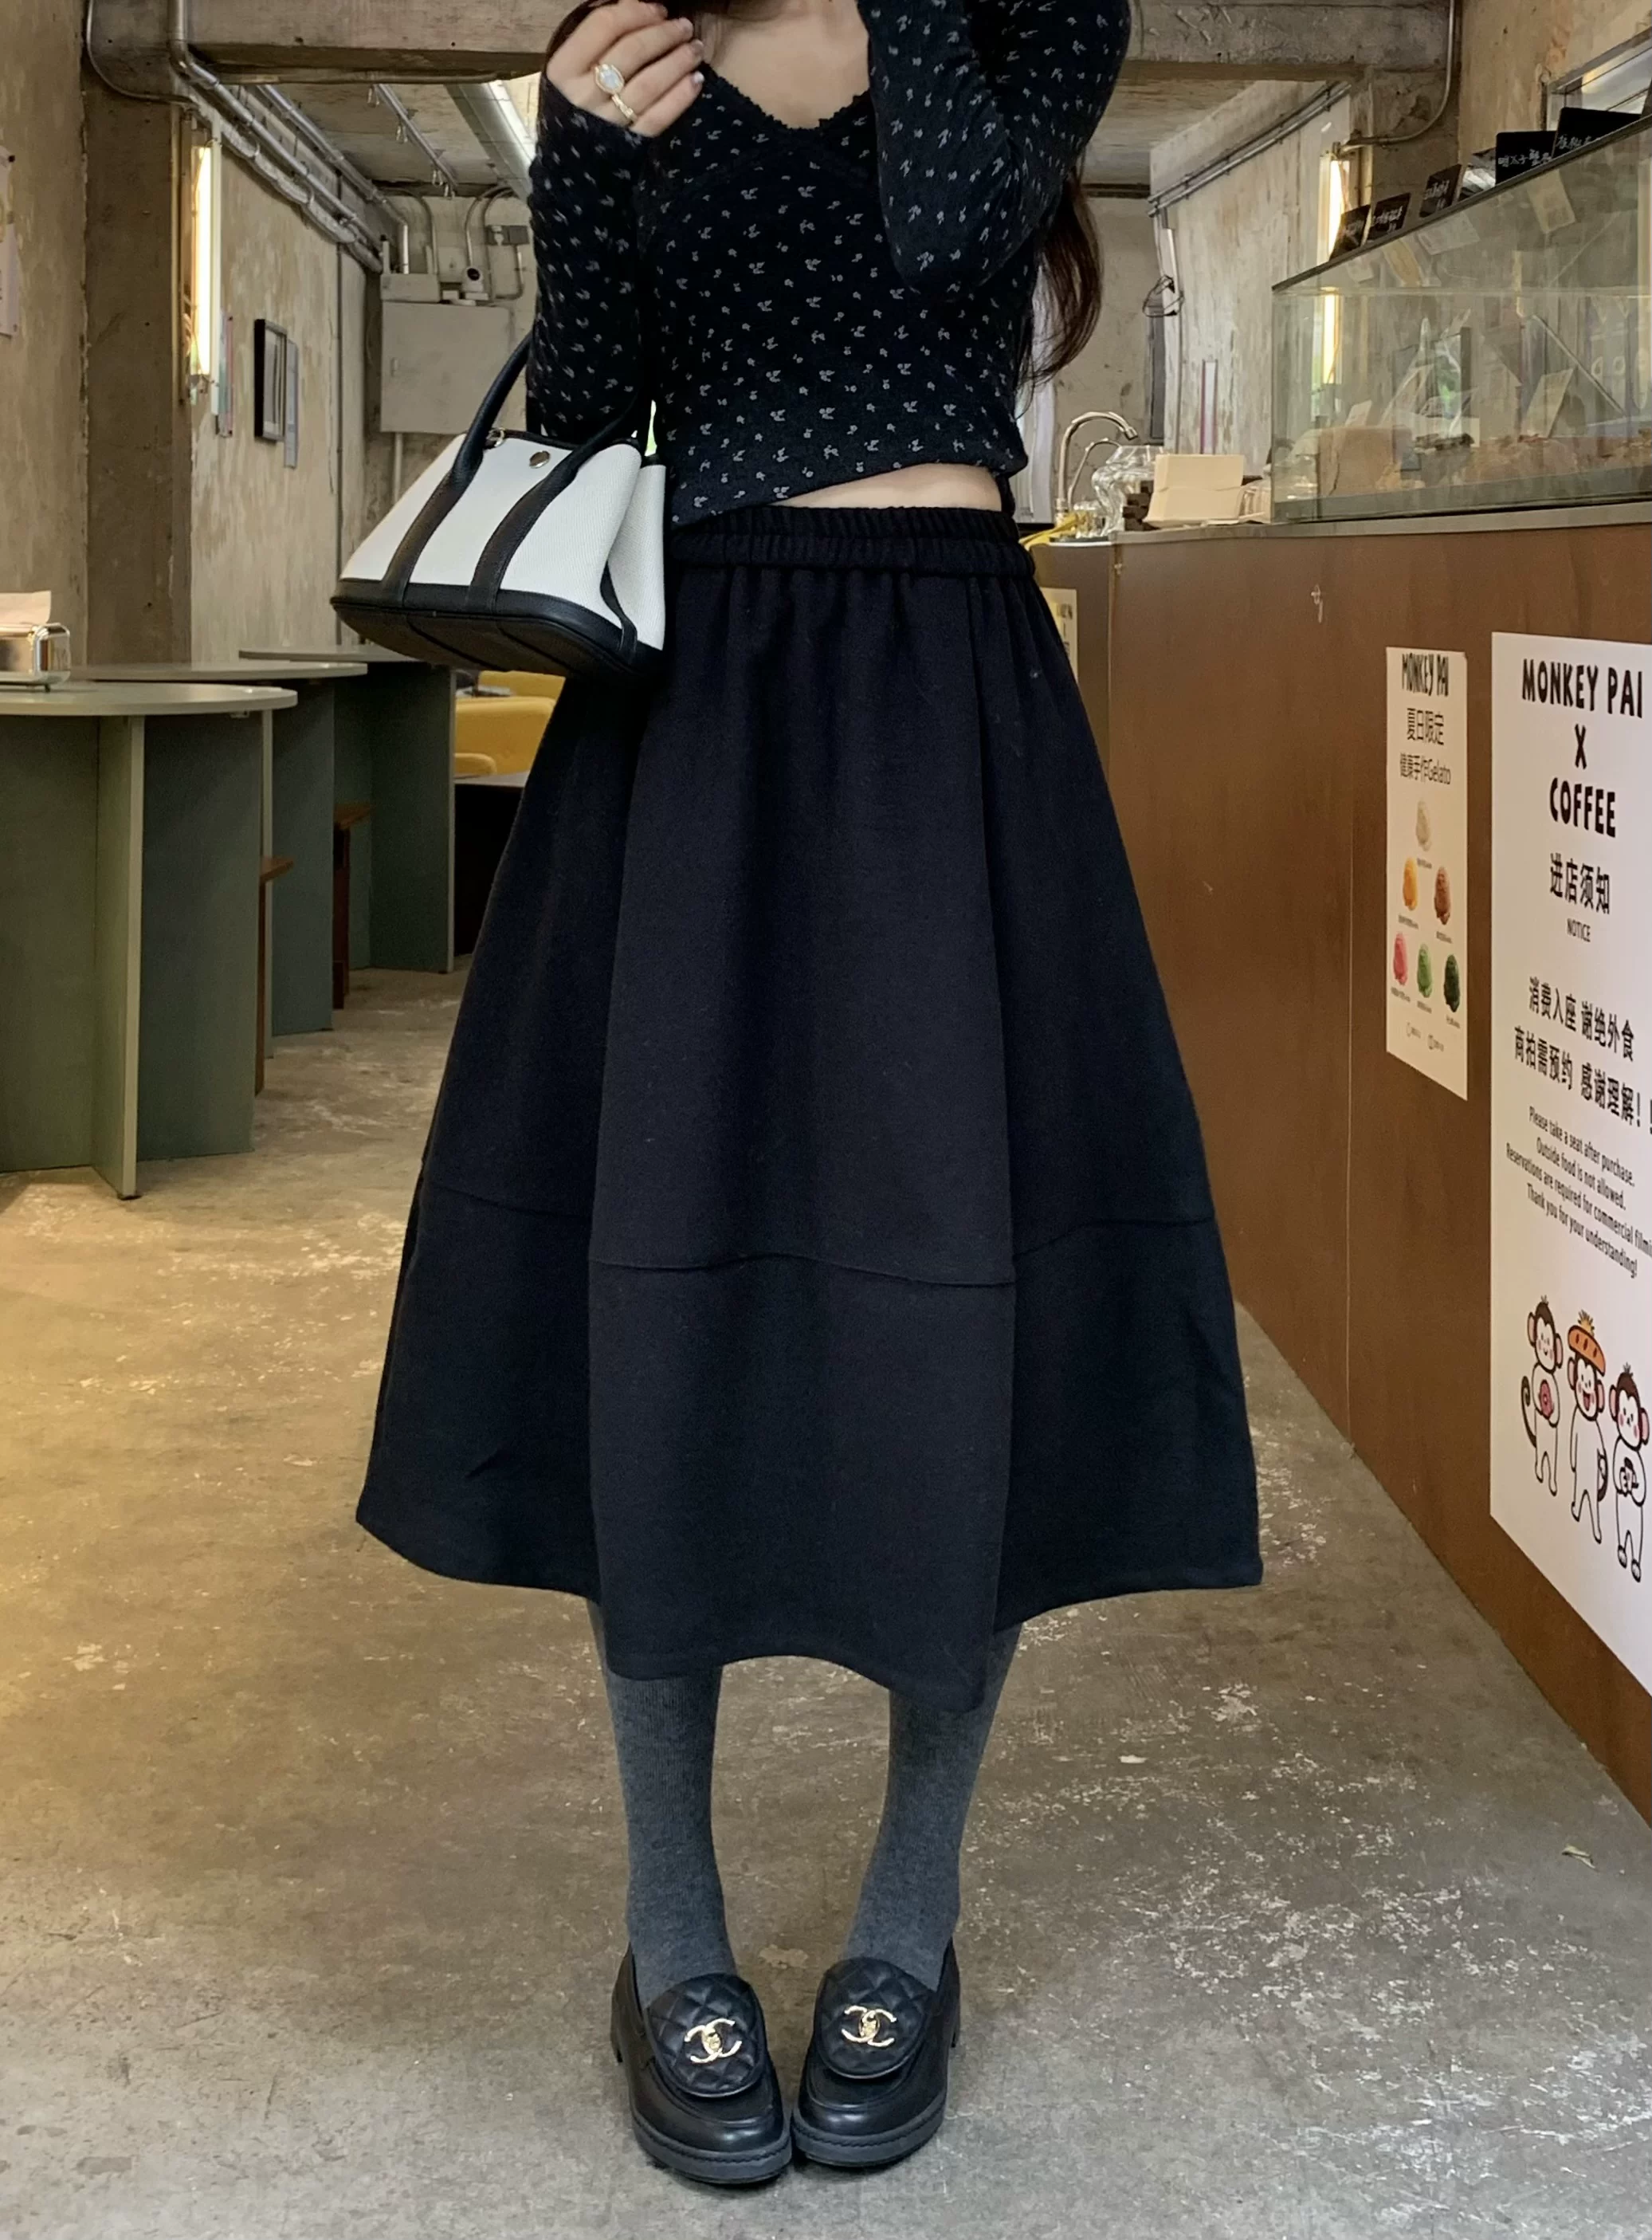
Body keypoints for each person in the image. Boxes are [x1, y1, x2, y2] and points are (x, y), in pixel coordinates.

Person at [357, 0, 1261, 2187]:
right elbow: (592, 412)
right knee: (651, 1293)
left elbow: (951, 219)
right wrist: (580, 149)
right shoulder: (631, 51)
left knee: (964, 1298)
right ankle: (669, 1928)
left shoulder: (1028, 17)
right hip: (692, 713)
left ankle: (907, 1922)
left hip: (948, 693)